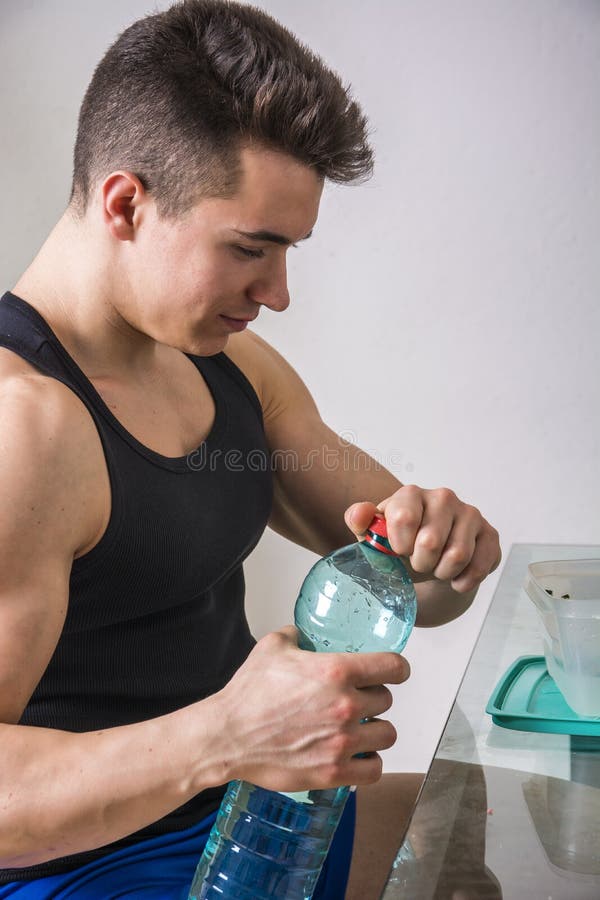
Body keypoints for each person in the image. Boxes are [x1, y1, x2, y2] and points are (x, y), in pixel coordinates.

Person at [0, 1, 501, 897]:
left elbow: (422, 594)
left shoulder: (235, 369)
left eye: (289, 252)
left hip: (258, 821)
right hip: (84, 869)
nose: (277, 293)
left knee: (483, 827)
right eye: (251, 249)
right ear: (126, 204)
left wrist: (445, 549)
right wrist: (225, 736)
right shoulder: (21, 426)